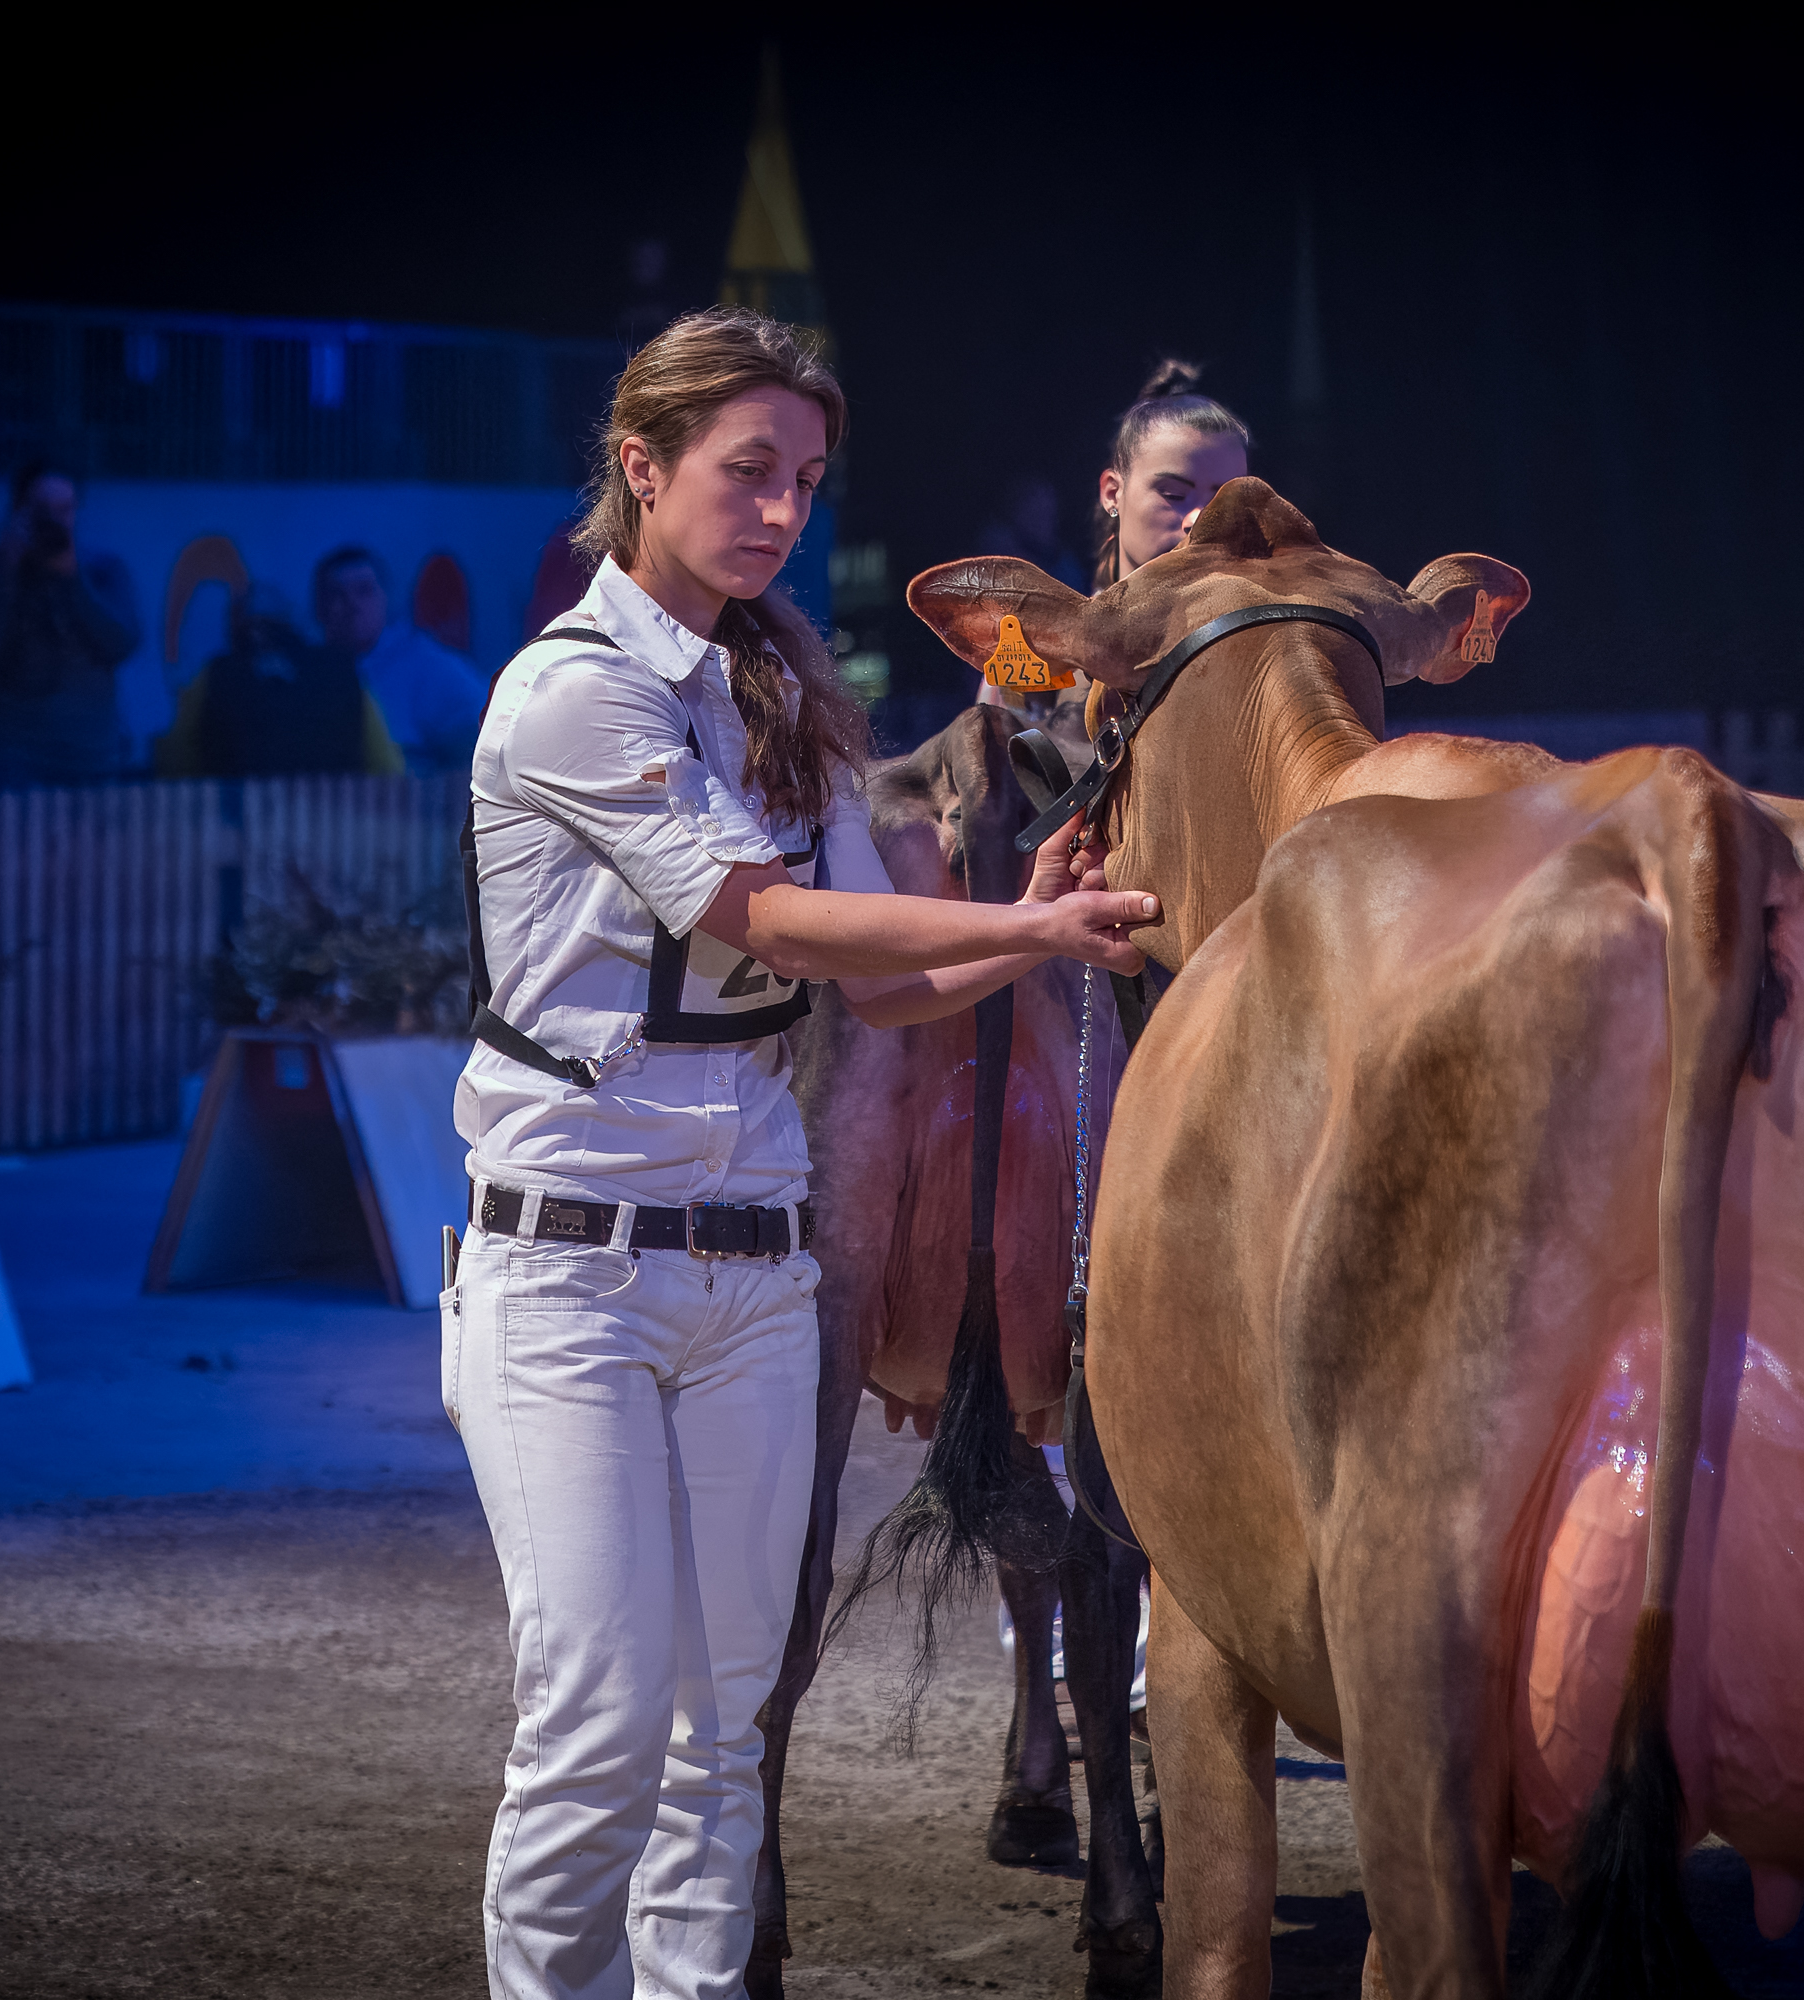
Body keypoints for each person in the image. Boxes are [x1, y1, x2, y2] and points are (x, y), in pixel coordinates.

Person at [450, 306, 1153, 2000]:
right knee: (599, 1722)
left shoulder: (785, 696)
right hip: (571, 1269)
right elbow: (760, 917)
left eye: (806, 480)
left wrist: (1024, 920)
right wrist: (1015, 926)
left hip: (758, 1273)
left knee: (723, 1728)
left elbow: (888, 990)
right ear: (641, 468)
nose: (779, 511)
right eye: (745, 470)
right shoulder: (570, 688)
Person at [977, 358, 1254, 738]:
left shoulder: (1263, 650)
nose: (1198, 518)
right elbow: (993, 763)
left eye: (1224, 500)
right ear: (1112, 493)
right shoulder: (1037, 651)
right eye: (1174, 494)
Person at [0, 462, 141, 787]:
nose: (53, 521)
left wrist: (75, 580)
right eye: (42, 510)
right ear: (18, 512)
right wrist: (6, 573)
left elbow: (122, 645)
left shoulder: (104, 572)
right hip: (4, 759)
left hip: (88, 757)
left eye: (64, 510)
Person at [153, 584, 403, 778]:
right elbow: (387, 765)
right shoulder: (342, 671)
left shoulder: (213, 675)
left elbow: (174, 765)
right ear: (295, 624)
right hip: (335, 822)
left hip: (235, 824)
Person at [315, 545, 489, 777]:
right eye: (337, 594)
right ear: (319, 608)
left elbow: (491, 735)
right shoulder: (305, 675)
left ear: (385, 598)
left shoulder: (430, 664)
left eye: (364, 591)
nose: (352, 605)